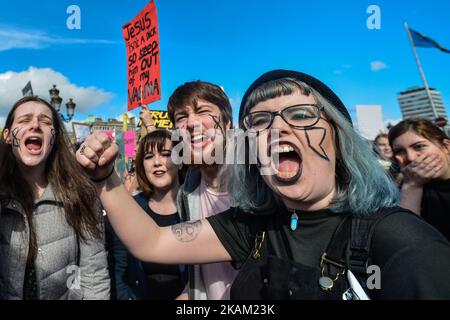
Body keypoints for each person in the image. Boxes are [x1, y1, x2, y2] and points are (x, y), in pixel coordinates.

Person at [76, 70, 450, 299]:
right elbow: (152, 242)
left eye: (301, 114)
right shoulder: (251, 226)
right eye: (260, 120)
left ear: (340, 139)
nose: (278, 127)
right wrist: (103, 178)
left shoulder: (401, 242)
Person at [0, 96, 110, 300]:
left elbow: (93, 273)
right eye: (24, 120)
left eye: (46, 122)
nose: (35, 125)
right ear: (7, 136)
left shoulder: (80, 192)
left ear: (54, 137)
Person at [168, 81, 238, 300]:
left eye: (203, 111)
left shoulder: (261, 184)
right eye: (181, 117)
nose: (192, 123)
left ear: (227, 124)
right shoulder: (186, 194)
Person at [108, 130, 187, 300]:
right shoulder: (130, 208)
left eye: (166, 154)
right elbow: (120, 269)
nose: (157, 162)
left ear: (180, 162)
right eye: (149, 157)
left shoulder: (197, 206)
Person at [389, 118, 450, 241]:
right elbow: (405, 238)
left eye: (419, 146)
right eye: (400, 151)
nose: (411, 158)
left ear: (446, 147)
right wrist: (412, 186)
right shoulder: (398, 192)